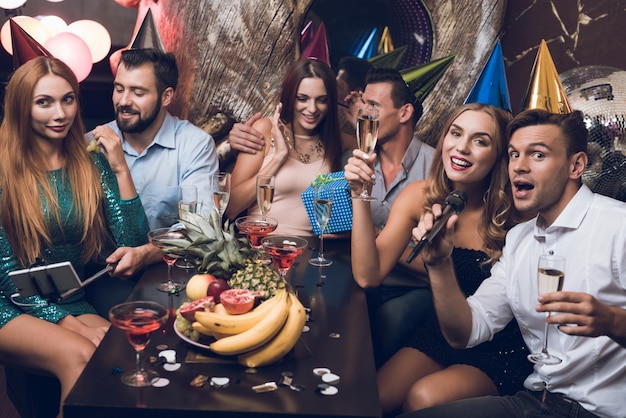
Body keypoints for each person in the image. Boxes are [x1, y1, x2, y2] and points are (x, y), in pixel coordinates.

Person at [400, 109, 626, 418]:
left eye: (537, 155)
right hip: (534, 401)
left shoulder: (617, 226)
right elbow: (465, 332)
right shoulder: (520, 239)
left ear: (576, 165)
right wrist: (439, 265)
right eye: (514, 154)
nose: (519, 166)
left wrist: (614, 322)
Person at [346, 103, 531, 415]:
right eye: (456, 133)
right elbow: (368, 275)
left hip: (499, 347)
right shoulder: (421, 196)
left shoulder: (516, 212)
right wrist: (360, 195)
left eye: (480, 140)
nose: (461, 147)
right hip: (441, 331)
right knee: (368, 401)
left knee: (423, 397)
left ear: (500, 155)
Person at [0, 57, 149, 416]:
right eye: (44, 102)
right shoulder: (4, 170)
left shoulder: (90, 162)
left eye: (67, 99)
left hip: (69, 297)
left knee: (123, 355)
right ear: (22, 107)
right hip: (9, 304)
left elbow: (133, 241)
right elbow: (6, 275)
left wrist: (119, 167)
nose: (60, 113)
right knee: (78, 357)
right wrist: (66, 323)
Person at [88, 48, 219, 280]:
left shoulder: (194, 145)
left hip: (170, 272)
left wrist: (146, 253)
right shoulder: (91, 143)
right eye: (119, 89)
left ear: (167, 96)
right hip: (102, 276)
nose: (124, 101)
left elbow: (200, 228)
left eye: (138, 92)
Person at [342, 67, 435, 367]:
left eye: (374, 106)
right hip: (364, 278)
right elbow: (345, 232)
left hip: (414, 290)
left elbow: (438, 261)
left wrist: (381, 246)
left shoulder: (436, 168)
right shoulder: (356, 161)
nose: (364, 113)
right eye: (363, 105)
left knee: (388, 320)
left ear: (405, 112)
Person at [225, 58, 344, 235]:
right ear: (289, 97)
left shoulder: (335, 140)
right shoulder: (264, 129)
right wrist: (279, 157)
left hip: (311, 251)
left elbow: (374, 143)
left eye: (322, 100)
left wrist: (357, 116)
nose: (312, 109)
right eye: (302, 99)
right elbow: (231, 208)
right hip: (259, 247)